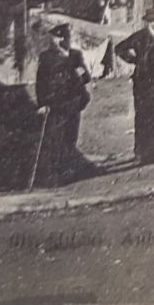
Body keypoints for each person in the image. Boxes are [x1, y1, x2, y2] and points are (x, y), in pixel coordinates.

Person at [114, 8, 154, 163]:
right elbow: (119, 48)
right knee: (143, 116)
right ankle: (140, 151)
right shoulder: (140, 37)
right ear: (148, 22)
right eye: (153, 20)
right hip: (144, 83)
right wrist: (135, 61)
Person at [33, 22, 92, 187]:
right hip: (55, 104)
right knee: (55, 138)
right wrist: (42, 104)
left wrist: (76, 80)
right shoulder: (46, 57)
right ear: (53, 38)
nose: (62, 40)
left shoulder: (75, 55)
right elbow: (41, 82)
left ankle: (68, 171)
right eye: (58, 37)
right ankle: (55, 174)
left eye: (65, 36)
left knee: (70, 137)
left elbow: (86, 76)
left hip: (73, 102)